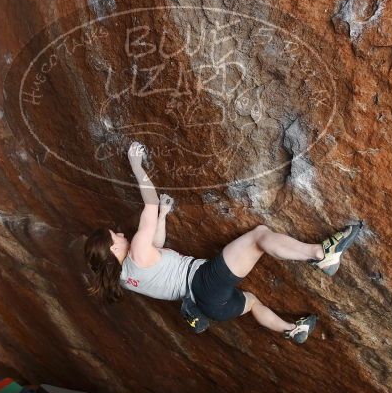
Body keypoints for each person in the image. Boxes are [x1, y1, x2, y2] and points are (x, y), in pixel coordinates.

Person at [84, 141, 362, 343]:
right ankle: (319, 253)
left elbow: (157, 247)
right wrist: (135, 165)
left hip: (209, 306)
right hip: (204, 281)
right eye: (115, 236)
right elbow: (151, 203)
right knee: (259, 236)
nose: (121, 234)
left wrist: (164, 216)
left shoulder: (122, 277)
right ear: (112, 248)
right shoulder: (135, 252)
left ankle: (292, 330)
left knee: (252, 302)